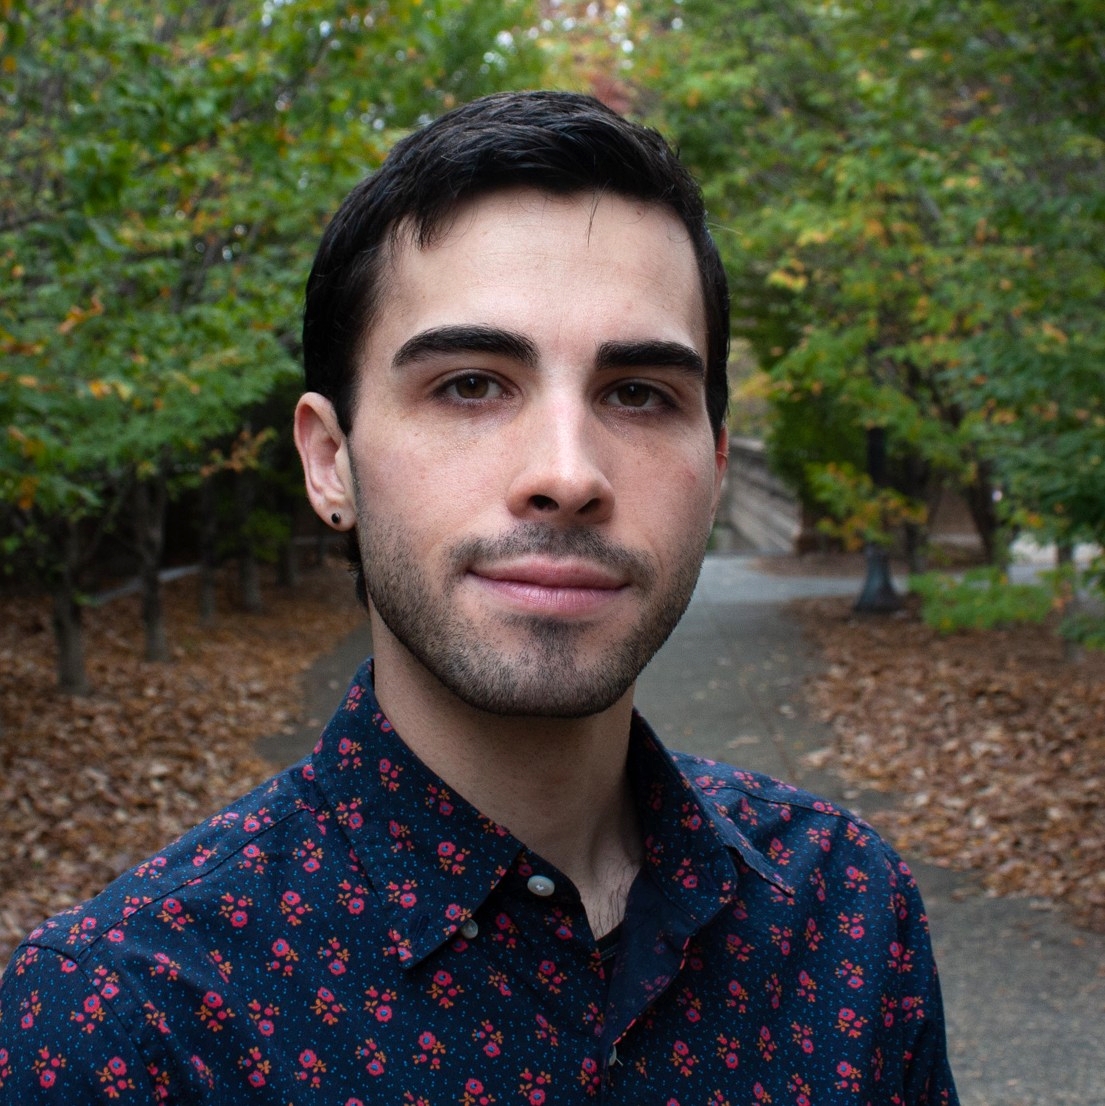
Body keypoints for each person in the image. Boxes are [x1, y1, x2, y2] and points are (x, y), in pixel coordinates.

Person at [0, 91, 958, 1104]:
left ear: (714, 468)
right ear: (329, 462)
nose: (566, 474)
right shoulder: (125, 1024)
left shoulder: (843, 912)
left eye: (639, 393)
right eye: (469, 384)